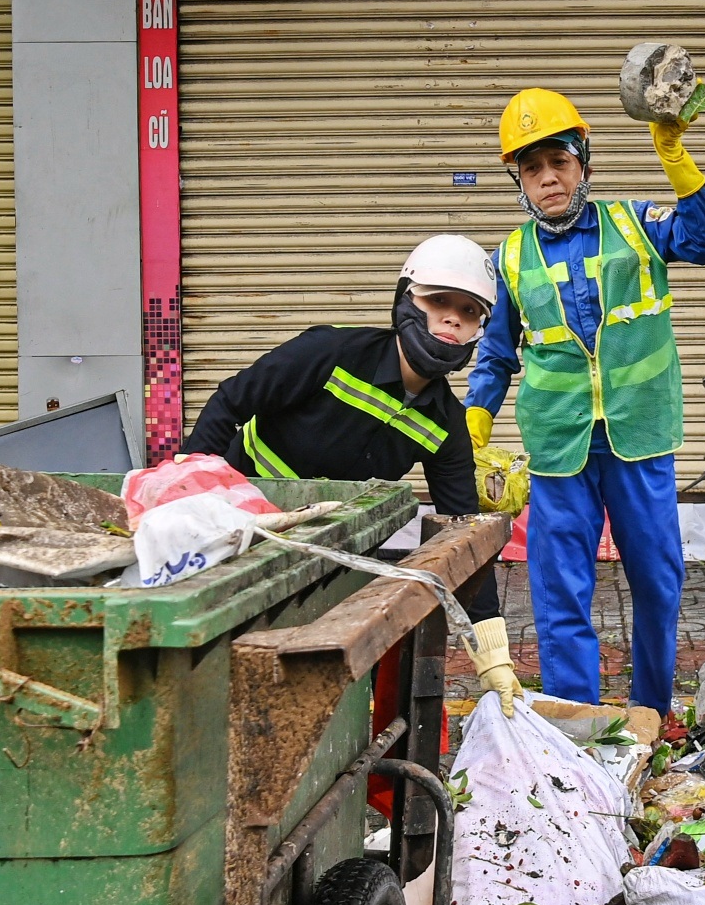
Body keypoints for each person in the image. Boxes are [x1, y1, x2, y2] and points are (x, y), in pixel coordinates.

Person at [466, 88, 705, 715]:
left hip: (638, 435)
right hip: (559, 445)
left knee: (659, 585)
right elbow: (498, 353)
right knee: (559, 596)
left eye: (559, 161)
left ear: (583, 161)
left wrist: (674, 152)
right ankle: (577, 727)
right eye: (532, 169)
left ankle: (652, 711)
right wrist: (472, 430)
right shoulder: (507, 257)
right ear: (518, 182)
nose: (548, 179)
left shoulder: (635, 224)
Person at [183, 234, 525, 713]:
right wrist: (185, 497)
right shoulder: (331, 351)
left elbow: (463, 535)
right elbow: (229, 403)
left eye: (469, 311)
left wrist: (492, 654)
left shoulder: (446, 425)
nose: (452, 317)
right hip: (242, 529)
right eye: (438, 301)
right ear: (406, 300)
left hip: (332, 551)